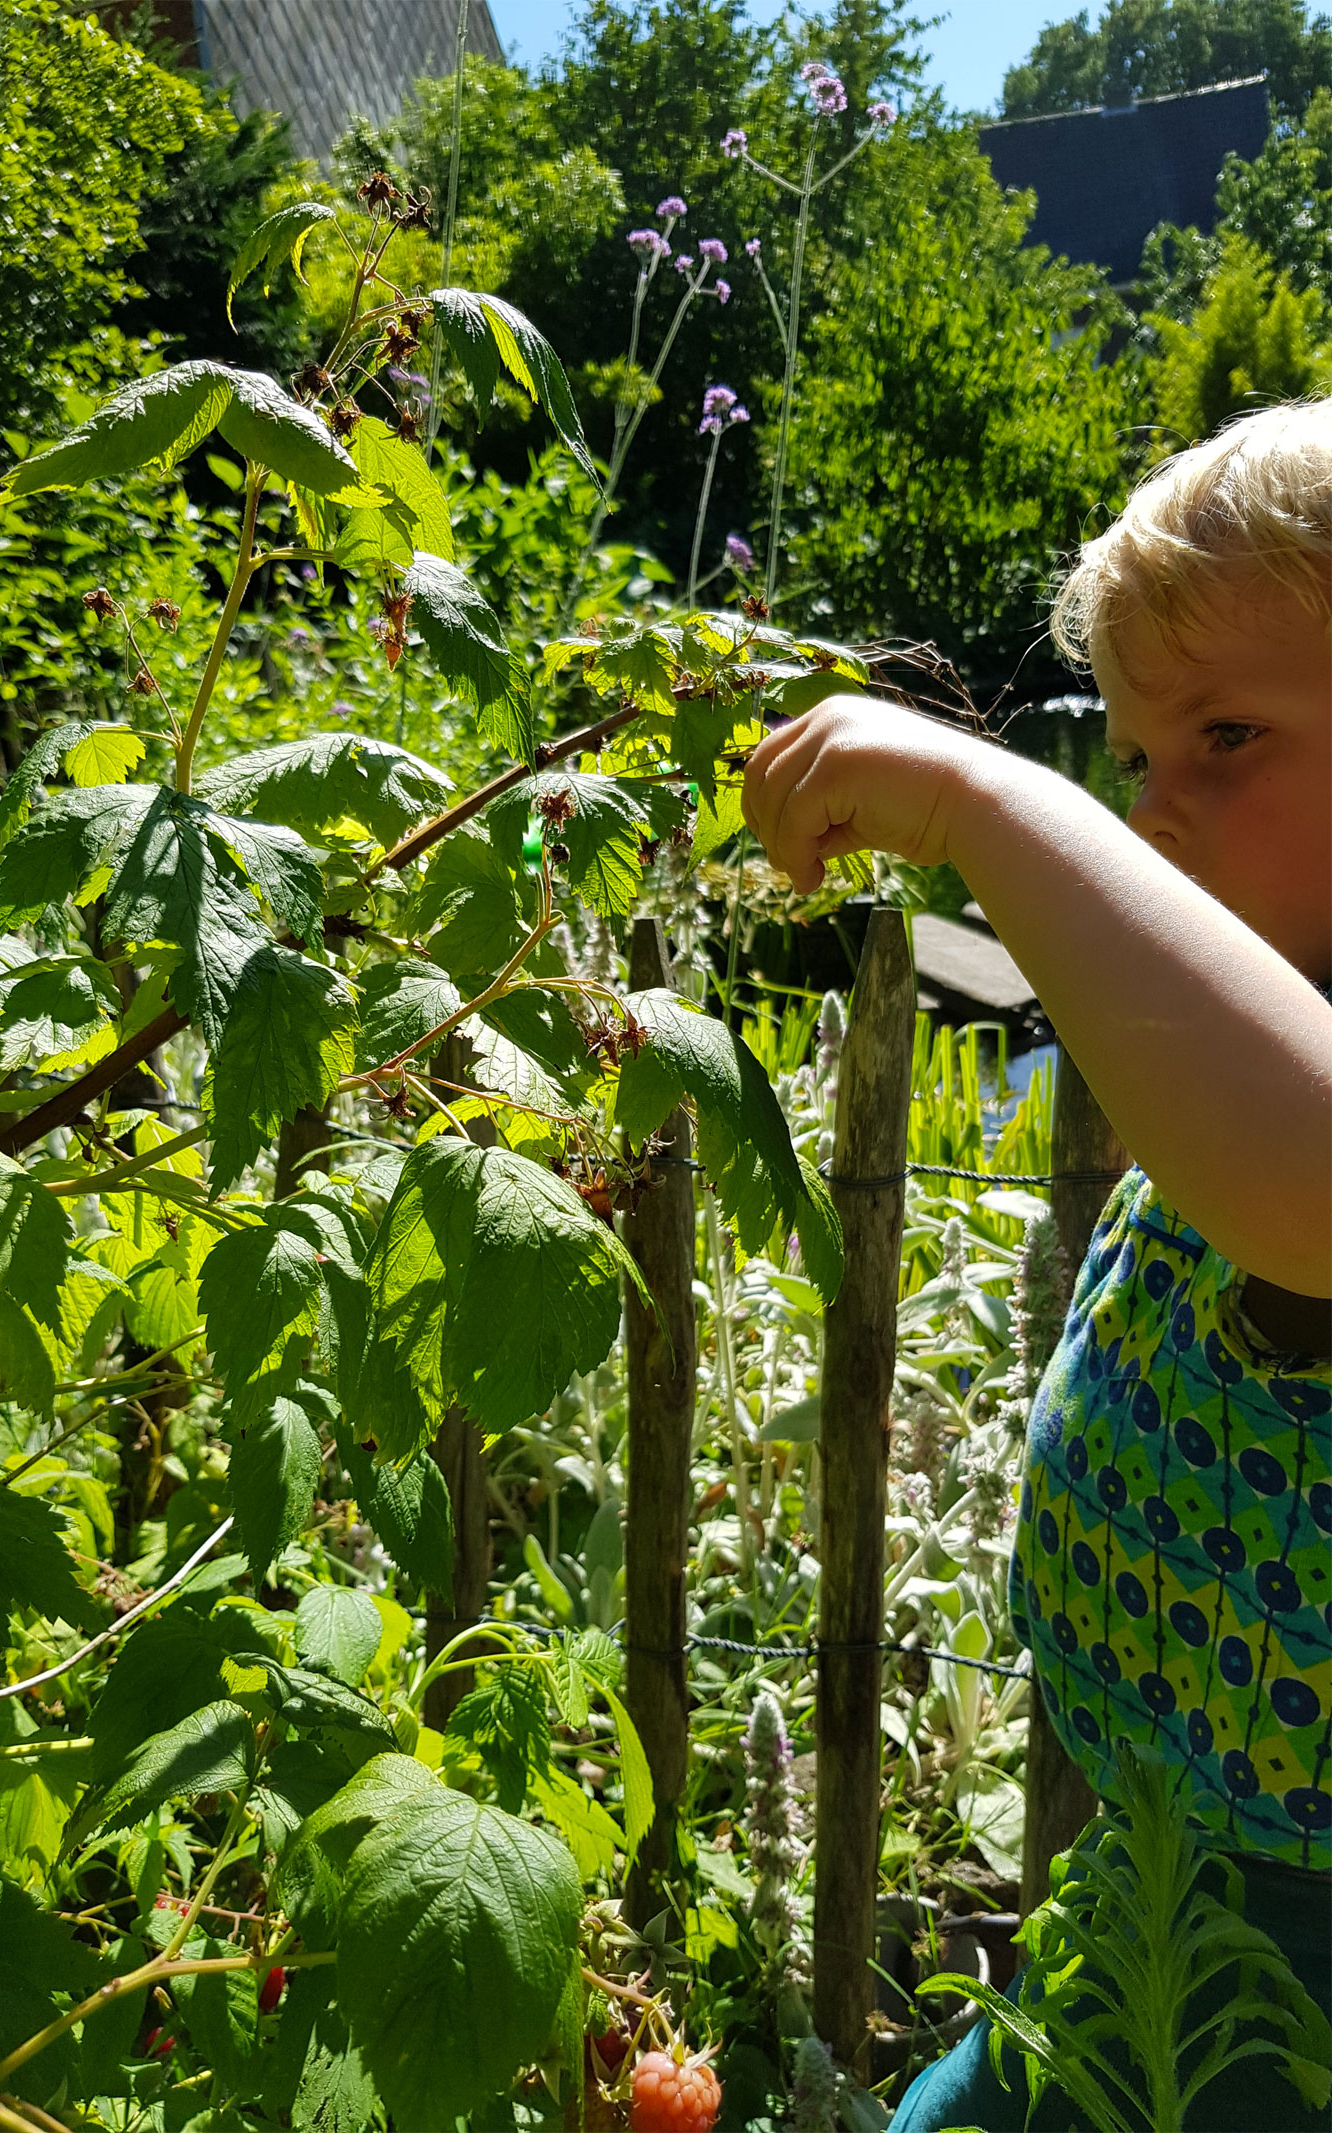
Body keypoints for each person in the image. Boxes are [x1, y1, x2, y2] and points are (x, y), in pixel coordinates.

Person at [741, 401, 1332, 2131]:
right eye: (1138, 759)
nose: (1157, 813)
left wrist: (973, 795)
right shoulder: (1239, 1058)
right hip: (1138, 1929)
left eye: (1229, 734)